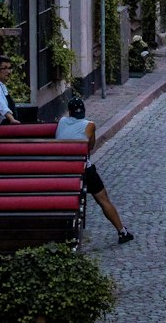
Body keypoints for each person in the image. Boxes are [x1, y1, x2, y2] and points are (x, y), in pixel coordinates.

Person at [56, 94, 134, 244]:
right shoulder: (89, 124)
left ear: (70, 112)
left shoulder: (62, 121)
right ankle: (122, 231)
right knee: (103, 198)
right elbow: (89, 146)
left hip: (62, 169)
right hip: (83, 168)